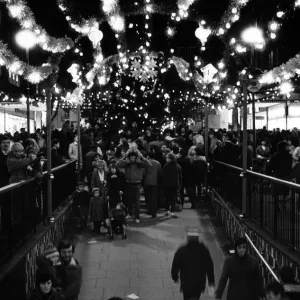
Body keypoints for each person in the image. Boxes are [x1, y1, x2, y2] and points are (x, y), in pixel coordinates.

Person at [171, 227, 215, 300]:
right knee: (196, 296)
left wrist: (175, 277)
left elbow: (175, 265)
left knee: (186, 297)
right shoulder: (204, 250)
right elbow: (209, 267)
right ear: (197, 238)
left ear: (188, 238)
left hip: (186, 283)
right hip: (199, 283)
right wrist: (211, 282)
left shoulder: (182, 250)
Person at [116, 149, 151, 223]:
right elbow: (117, 164)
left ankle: (137, 217)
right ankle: (130, 213)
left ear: (136, 157)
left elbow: (149, 164)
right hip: (128, 183)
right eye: (131, 157)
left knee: (137, 201)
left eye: (134, 157)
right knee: (129, 200)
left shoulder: (139, 163)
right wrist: (124, 156)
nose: (132, 159)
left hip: (137, 183)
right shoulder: (126, 163)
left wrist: (141, 157)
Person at [162, 153, 182, 219]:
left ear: (170, 159)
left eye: (167, 158)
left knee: (167, 198)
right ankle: (173, 212)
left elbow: (163, 176)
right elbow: (180, 177)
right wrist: (180, 185)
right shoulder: (177, 166)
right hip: (174, 185)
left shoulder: (165, 166)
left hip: (166, 185)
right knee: (173, 199)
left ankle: (168, 211)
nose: (166, 159)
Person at [143, 152, 162, 218]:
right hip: (155, 182)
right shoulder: (158, 163)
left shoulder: (146, 163)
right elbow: (160, 173)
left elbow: (144, 173)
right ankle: (154, 212)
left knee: (148, 197)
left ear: (148, 156)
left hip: (147, 182)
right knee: (154, 198)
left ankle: (149, 210)